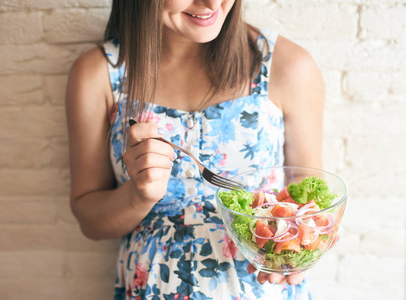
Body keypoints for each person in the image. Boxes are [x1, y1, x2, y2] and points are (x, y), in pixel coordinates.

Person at [65, 0, 328, 299]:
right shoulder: (98, 73)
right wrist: (139, 194)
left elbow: (309, 196)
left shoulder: (286, 65)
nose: (212, 3)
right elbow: (91, 222)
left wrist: (306, 245)